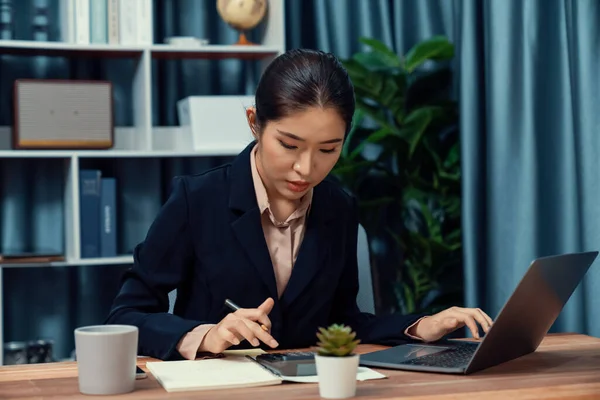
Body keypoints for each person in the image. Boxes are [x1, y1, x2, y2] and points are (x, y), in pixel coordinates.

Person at [105, 48, 493, 361]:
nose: (306, 168)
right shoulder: (196, 199)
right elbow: (126, 316)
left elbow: (343, 322)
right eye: (289, 145)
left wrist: (421, 326)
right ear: (254, 122)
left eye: (328, 149)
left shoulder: (338, 207)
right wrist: (207, 334)